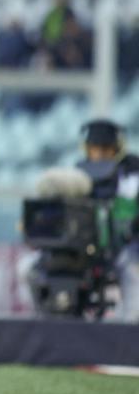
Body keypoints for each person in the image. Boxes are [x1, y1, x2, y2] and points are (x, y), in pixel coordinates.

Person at [76, 120, 139, 321]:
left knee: (132, 268)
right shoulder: (77, 176)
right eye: (95, 149)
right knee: (29, 269)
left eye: (106, 149)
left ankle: (132, 325)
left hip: (127, 247)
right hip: (85, 249)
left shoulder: (133, 174)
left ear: (116, 149)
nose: (100, 155)